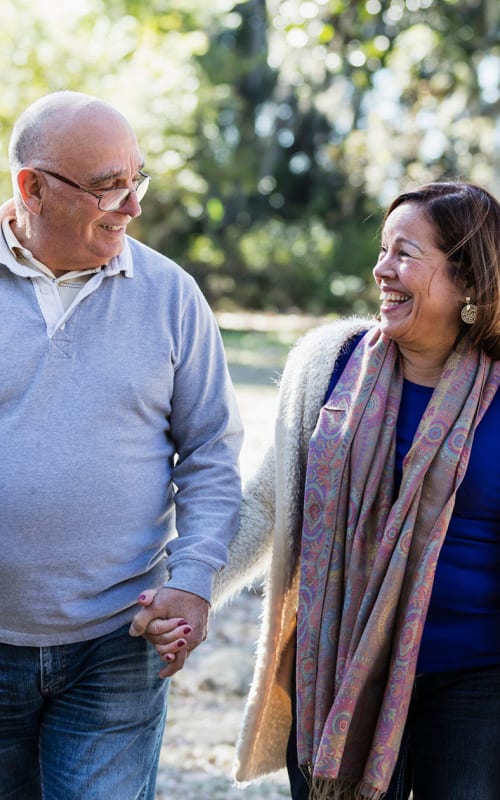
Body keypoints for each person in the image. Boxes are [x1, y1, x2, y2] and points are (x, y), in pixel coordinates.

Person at [181, 181, 498, 799]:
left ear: (467, 279)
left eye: (405, 253)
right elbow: (269, 505)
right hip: (335, 668)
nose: (382, 269)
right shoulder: (329, 364)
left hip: (475, 680)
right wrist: (191, 592)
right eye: (383, 250)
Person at [0, 90, 242, 800]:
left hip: (118, 640)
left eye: (137, 179)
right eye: (109, 186)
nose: (133, 205)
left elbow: (211, 452)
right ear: (32, 188)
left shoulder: (170, 295)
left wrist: (193, 580)